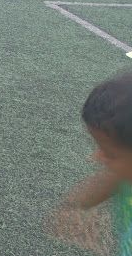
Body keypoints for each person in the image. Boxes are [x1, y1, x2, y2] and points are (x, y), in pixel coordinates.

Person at [45, 68, 132, 256]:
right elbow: (113, 178)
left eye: (111, 154)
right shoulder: (125, 173)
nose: (96, 156)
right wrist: (75, 207)